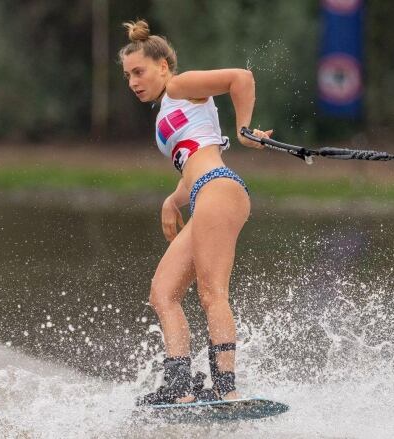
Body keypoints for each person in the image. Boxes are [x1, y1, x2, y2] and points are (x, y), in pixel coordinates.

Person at [118, 19, 272, 405]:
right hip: (202, 191)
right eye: (127, 76)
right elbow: (191, 164)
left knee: (211, 293)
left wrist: (244, 130)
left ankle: (226, 387)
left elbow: (241, 78)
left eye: (139, 71)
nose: (134, 81)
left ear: (163, 67)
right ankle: (180, 386)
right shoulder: (166, 113)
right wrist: (173, 200)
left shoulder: (179, 86)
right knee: (163, 293)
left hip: (219, 188)